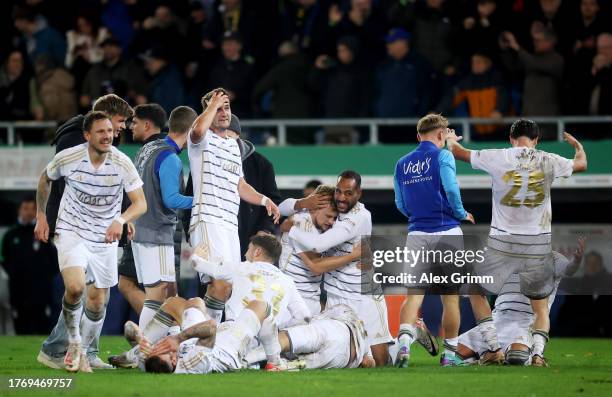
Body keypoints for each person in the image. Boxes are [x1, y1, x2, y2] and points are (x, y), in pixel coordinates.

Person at [445, 119, 588, 367]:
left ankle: (492, 348)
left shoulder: (498, 156)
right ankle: (538, 355)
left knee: (474, 290)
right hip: (537, 244)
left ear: (511, 138)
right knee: (540, 306)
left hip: (503, 242)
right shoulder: (548, 159)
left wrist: (450, 139)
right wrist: (578, 148)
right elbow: (582, 165)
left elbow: (458, 153)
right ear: (536, 140)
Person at [34, 111, 147, 373]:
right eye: (101, 132)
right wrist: (41, 215)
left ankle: (84, 352)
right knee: (74, 288)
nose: (108, 136)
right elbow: (45, 179)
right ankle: (74, 344)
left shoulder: (121, 162)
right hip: (71, 231)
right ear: (87, 135)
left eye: (110, 131)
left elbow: (141, 203)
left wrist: (122, 219)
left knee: (97, 302)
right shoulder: (69, 157)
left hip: (104, 238)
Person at [393, 113, 500, 367]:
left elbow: (400, 203)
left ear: (419, 136)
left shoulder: (402, 163)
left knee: (414, 296)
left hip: (417, 233)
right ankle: (449, 355)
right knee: (449, 297)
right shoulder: (443, 155)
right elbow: (451, 189)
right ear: (441, 135)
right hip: (446, 232)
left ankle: (405, 346)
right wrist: (461, 213)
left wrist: (418, 217)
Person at [110, 105, 198, 369]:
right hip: (156, 232)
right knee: (157, 295)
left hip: (139, 230)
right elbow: (172, 199)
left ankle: (138, 352)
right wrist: (205, 200)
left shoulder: (148, 150)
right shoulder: (169, 157)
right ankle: (138, 355)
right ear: (192, 130)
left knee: (164, 295)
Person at [278, 170, 393, 366]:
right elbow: (282, 208)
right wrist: (302, 204)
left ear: (359, 194)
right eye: (339, 192)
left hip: (362, 292)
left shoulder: (359, 216)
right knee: (345, 354)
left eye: (348, 193)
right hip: (329, 294)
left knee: (380, 361)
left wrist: (291, 229)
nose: (341, 198)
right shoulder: (307, 221)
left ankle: (408, 337)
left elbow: (319, 247)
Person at [187, 88, 280, 323]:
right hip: (208, 219)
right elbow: (197, 130)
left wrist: (264, 199)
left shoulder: (232, 146)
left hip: (230, 225)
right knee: (218, 283)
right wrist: (212, 105)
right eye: (217, 108)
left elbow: (240, 184)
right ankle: (198, 338)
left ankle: (202, 334)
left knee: (226, 287)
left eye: (226, 107)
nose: (223, 112)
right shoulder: (201, 139)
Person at [458, 238, 585, 366]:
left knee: (516, 357)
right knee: (453, 356)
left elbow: (569, 270)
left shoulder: (553, 258)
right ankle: (487, 356)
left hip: (525, 322)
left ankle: (526, 355)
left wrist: (576, 261)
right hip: (497, 319)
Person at [191, 234, 311, 332]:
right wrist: (278, 331)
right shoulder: (288, 282)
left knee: (193, 304)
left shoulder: (242, 268)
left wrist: (196, 255)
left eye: (248, 249)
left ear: (257, 252)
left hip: (233, 336)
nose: (244, 254)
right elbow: (304, 317)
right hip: (262, 349)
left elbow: (198, 265)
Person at [278, 184, 350, 315]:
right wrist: (353, 255)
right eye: (329, 216)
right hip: (291, 303)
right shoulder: (301, 222)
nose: (332, 221)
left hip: (311, 300)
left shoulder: (326, 227)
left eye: (335, 218)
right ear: (313, 208)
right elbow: (316, 267)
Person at [226, 115, 281, 257]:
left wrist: (264, 230)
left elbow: (272, 199)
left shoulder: (261, 164)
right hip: (216, 236)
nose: (223, 144)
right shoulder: (206, 160)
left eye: (228, 138)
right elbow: (193, 195)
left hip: (251, 242)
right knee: (214, 279)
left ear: (238, 136)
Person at [1, 197, 58, 334]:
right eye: (25, 208)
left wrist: (44, 277)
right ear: (19, 210)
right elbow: (4, 259)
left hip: (41, 291)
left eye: (33, 209)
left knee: (43, 326)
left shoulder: (43, 233)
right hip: (18, 290)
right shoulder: (10, 235)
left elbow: (54, 261)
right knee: (20, 325)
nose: (29, 212)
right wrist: (16, 274)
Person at [374, 28, 433, 118]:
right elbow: (376, 91)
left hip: (411, 122)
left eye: (392, 42)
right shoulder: (384, 65)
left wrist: (421, 114)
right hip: (385, 122)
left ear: (403, 43)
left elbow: (426, 92)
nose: (388, 46)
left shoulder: (419, 63)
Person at [80, 38, 148, 110]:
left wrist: (135, 95)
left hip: (125, 113)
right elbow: (84, 97)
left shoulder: (131, 69)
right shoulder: (94, 70)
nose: (108, 49)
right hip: (100, 114)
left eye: (112, 47)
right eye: (105, 47)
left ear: (120, 50)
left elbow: (142, 95)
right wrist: (86, 99)